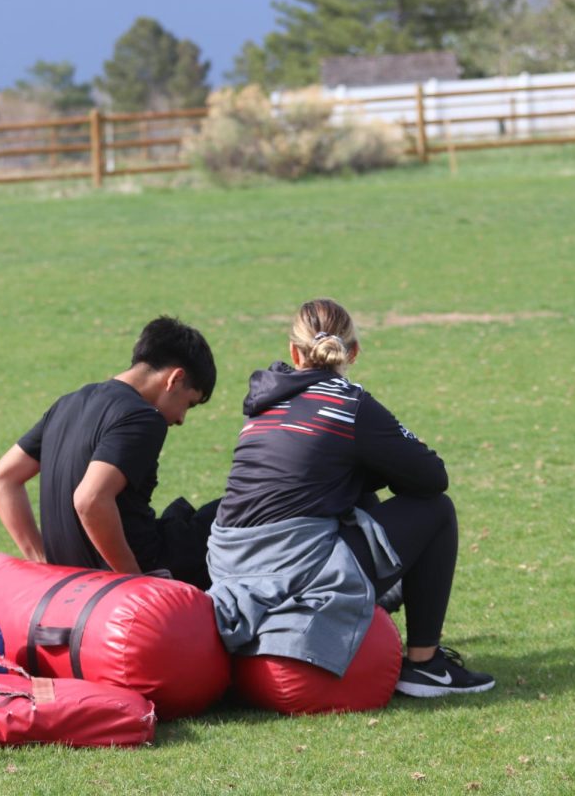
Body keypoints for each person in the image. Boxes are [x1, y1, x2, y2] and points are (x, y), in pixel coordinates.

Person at [207, 298, 494, 697]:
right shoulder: (349, 404)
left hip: (226, 569)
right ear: (353, 352)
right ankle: (425, 666)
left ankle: (382, 598)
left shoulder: (261, 406)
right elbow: (432, 479)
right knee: (436, 511)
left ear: (293, 352)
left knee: (354, 491)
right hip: (292, 567)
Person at [0, 316, 218, 589]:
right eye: (188, 405)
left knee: (184, 516)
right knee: (236, 511)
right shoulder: (144, 418)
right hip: (137, 566)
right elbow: (90, 499)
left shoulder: (68, 403)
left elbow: (1, 480)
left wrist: (42, 562)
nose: (181, 419)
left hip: (70, 571)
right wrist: (134, 581)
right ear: (175, 379)